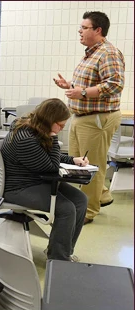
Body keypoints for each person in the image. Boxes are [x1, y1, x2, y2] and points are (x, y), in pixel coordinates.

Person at [52, 11, 125, 225]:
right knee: (77, 160)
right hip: (82, 117)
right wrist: (71, 87)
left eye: (84, 28)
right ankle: (102, 194)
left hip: (97, 118)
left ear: (98, 30)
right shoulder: (92, 53)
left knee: (90, 165)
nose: (80, 31)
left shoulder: (107, 53)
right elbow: (93, 83)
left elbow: (115, 84)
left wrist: (82, 92)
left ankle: (89, 211)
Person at [1, 99, 89, 261]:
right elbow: (51, 166)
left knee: (80, 199)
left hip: (35, 181)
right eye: (60, 125)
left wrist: (72, 160)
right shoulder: (25, 138)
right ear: (49, 120)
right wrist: (54, 138)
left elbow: (44, 158)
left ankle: (63, 250)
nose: (62, 129)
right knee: (66, 209)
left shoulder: (35, 129)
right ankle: (58, 260)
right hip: (17, 188)